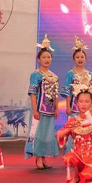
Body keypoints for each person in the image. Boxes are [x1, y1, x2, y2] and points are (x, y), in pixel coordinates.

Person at [25, 34, 59, 169]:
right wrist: (35, 110)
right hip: (39, 109)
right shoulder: (36, 74)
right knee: (38, 133)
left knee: (47, 135)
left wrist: (56, 108)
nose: (47, 59)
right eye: (44, 57)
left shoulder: (54, 76)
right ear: (39, 59)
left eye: (49, 57)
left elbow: (55, 94)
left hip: (50, 110)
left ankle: (44, 157)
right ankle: (38, 157)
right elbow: (32, 93)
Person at [61, 36, 92, 154]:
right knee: (73, 130)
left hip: (87, 109)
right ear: (73, 59)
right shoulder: (70, 74)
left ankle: (85, 154)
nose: (80, 59)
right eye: (77, 57)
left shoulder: (89, 74)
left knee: (87, 130)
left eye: (82, 57)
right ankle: (71, 153)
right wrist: (68, 107)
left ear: (85, 59)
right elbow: (67, 91)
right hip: (74, 108)